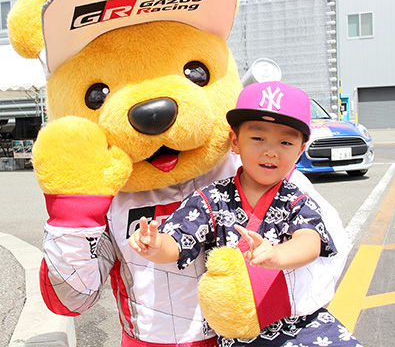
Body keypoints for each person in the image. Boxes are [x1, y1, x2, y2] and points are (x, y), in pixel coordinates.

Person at [130, 81, 360, 346]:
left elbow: (310, 241)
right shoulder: (210, 198)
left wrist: (278, 255)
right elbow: (180, 240)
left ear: (300, 150)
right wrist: (156, 245)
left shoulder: (297, 199)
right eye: (258, 138)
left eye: (285, 141)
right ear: (235, 141)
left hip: (299, 324)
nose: (270, 150)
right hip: (240, 333)